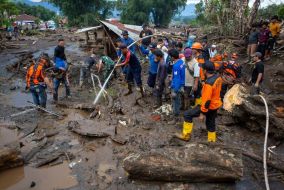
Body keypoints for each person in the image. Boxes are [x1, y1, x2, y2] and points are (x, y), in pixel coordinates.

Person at [176, 61, 222, 142]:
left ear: (205, 71)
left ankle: (186, 135)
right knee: (210, 122)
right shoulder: (218, 77)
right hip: (215, 104)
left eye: (202, 69)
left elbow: (207, 100)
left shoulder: (209, 84)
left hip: (208, 106)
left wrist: (202, 113)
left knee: (187, 114)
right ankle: (211, 140)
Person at [168, 49, 185, 121]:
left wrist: (174, 90)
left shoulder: (176, 66)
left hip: (177, 86)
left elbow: (177, 79)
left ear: (172, 57)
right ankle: (177, 113)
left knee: (175, 102)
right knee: (178, 100)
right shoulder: (181, 62)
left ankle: (175, 118)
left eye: (170, 56)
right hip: (182, 84)